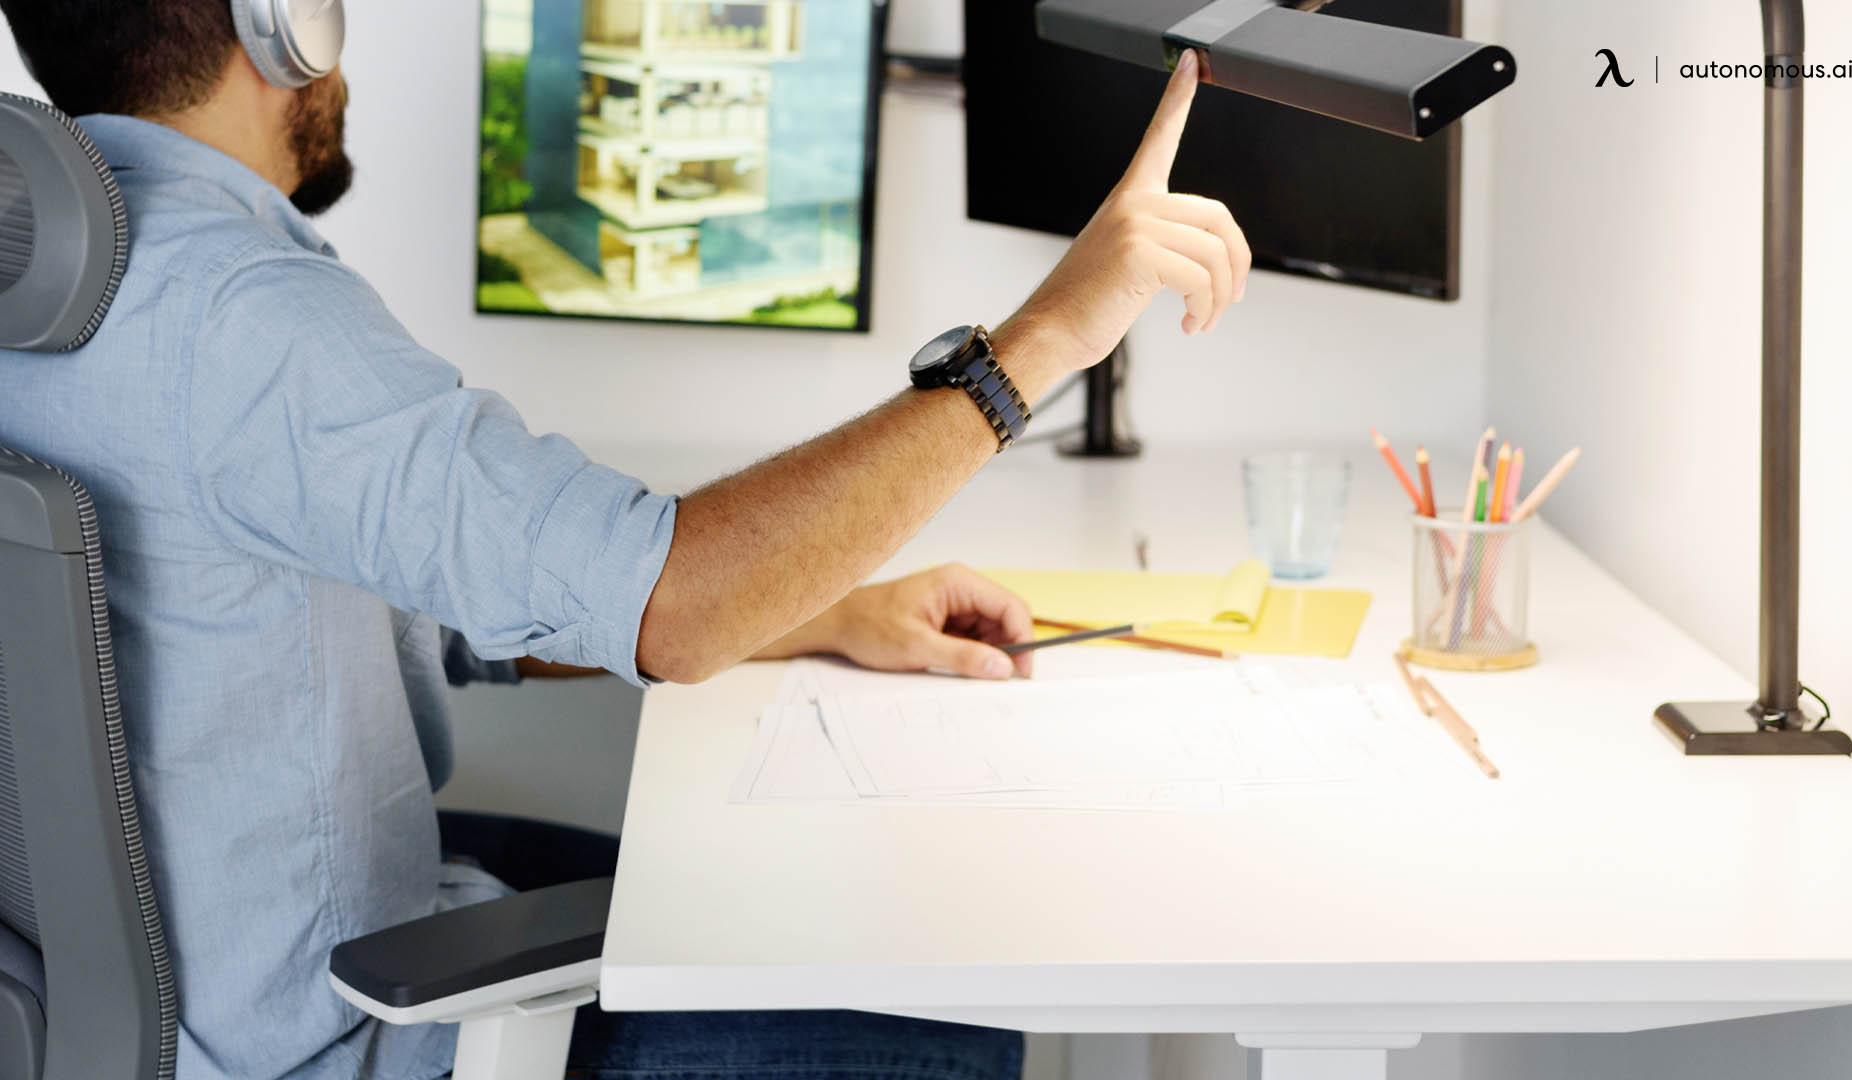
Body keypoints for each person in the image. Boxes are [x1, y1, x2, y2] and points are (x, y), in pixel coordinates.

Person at [0, 2, 1250, 1079]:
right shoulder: (252, 323)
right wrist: (1041, 341)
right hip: (345, 1025)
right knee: (949, 1014)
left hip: (158, 995)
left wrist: (826, 613)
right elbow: (673, 605)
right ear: (284, 19)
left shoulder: (49, 281)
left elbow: (429, 601)